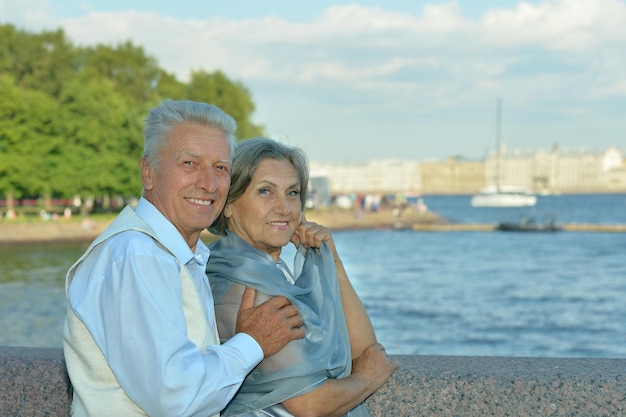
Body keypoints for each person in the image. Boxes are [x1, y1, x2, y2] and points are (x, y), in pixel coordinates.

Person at [63, 100, 305, 417]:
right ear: (148, 173)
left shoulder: (176, 255)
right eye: (190, 163)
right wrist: (253, 342)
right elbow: (173, 397)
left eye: (220, 168)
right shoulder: (138, 255)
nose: (208, 184)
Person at [206, 137, 398, 416]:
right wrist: (367, 379)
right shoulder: (247, 283)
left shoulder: (263, 271)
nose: (284, 208)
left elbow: (366, 352)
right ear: (228, 204)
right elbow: (309, 403)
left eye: (292, 193)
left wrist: (332, 260)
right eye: (265, 191)